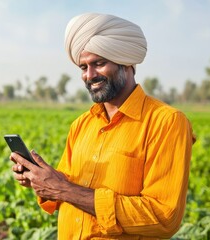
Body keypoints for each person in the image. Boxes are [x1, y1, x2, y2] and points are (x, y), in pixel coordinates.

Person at [10, 13, 195, 239]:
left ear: (126, 62)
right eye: (83, 67)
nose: (89, 75)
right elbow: (66, 189)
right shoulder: (82, 124)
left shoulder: (166, 122)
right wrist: (42, 180)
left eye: (99, 64)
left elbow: (164, 217)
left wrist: (63, 189)